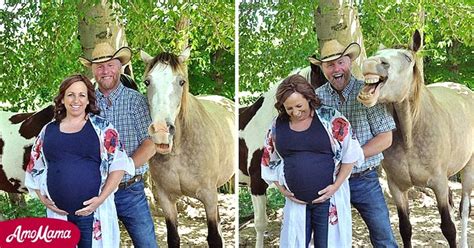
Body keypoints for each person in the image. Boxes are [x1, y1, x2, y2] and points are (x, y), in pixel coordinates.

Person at [25, 74, 135, 247]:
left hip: (92, 214)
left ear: (88, 99)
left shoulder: (103, 129)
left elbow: (118, 166)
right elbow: (34, 167)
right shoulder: (48, 131)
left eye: (81, 95)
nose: (76, 100)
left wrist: (101, 199)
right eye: (70, 94)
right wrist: (42, 197)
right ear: (62, 99)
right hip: (58, 216)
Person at [309, 39, 398, 247]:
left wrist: (350, 158)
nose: (336, 69)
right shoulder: (316, 99)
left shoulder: (368, 93)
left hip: (364, 180)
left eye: (341, 62)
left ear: (350, 63)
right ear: (323, 69)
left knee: (384, 238)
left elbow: (386, 138)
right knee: (325, 240)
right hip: (328, 182)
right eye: (330, 65)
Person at [261, 74, 364, 247]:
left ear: (309, 98)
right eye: (289, 108)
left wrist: (335, 186)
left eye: (299, 105)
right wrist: (282, 189)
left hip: (328, 200)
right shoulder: (277, 125)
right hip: (296, 203)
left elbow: (351, 154)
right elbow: (268, 160)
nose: (295, 112)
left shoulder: (331, 118)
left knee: (327, 244)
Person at [79, 42, 158, 247]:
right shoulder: (85, 104)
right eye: (99, 66)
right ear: (93, 70)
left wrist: (121, 169)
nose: (105, 71)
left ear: (120, 67)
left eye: (110, 65)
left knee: (147, 244)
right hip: (93, 191)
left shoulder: (136, 101)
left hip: (129, 191)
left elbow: (150, 143)